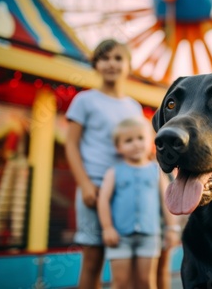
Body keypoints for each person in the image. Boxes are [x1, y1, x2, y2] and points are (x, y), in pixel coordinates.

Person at [65, 39, 143, 289]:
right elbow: (71, 145)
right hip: (95, 187)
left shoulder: (134, 107)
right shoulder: (84, 100)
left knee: (127, 261)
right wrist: (85, 184)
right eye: (105, 58)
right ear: (95, 64)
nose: (112, 63)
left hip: (127, 190)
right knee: (92, 260)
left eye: (119, 58)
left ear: (129, 65)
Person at [97, 118, 180, 289]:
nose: (136, 144)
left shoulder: (156, 171)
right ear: (118, 147)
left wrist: (172, 228)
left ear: (150, 141)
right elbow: (103, 199)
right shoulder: (114, 172)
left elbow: (166, 201)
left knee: (146, 282)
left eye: (140, 138)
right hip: (120, 237)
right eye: (128, 141)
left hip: (149, 236)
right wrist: (107, 228)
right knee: (120, 283)